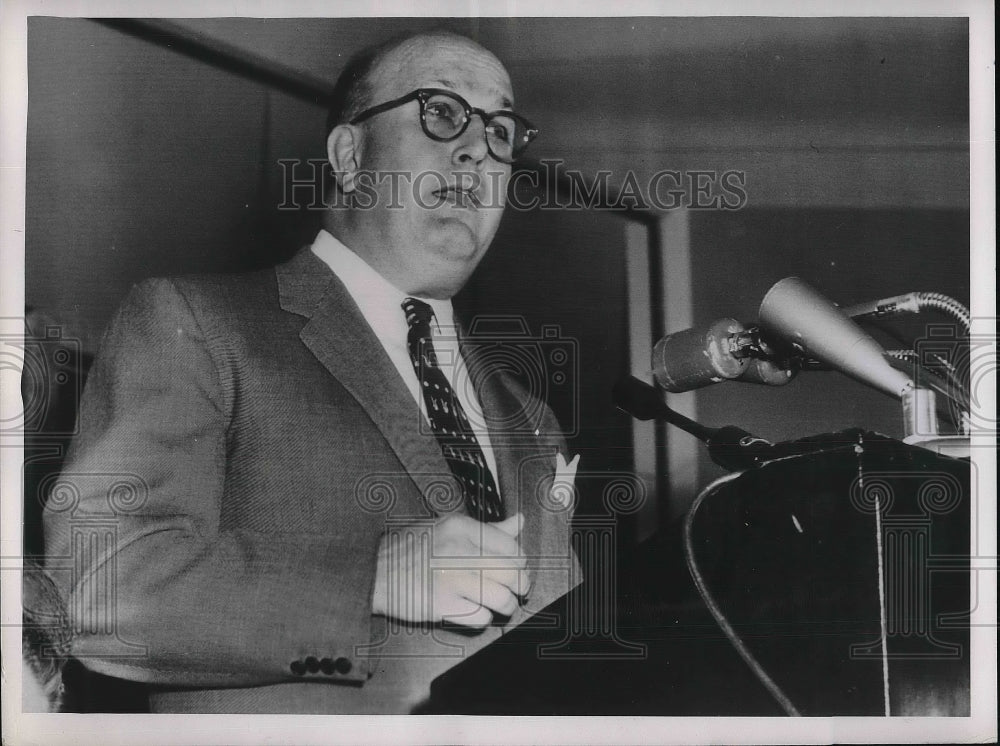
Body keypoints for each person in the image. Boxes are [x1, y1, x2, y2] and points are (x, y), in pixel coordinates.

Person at [43, 30, 580, 714]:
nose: (478, 147)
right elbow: (96, 586)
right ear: (350, 155)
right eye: (442, 112)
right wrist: (373, 579)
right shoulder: (196, 324)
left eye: (501, 128)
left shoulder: (533, 422)